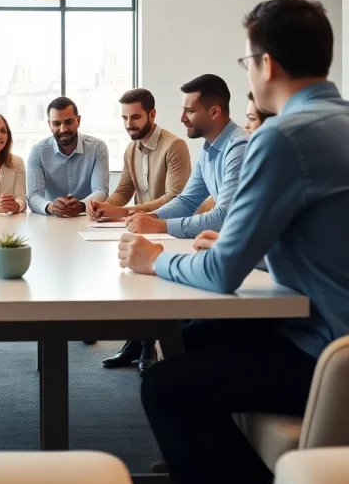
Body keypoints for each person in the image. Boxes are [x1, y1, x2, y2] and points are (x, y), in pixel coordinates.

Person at [117, 0, 349, 484]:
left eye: (247, 62)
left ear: (267, 65)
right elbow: (322, 238)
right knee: (189, 338)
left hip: (341, 357)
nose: (248, 75)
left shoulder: (283, 135)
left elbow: (222, 273)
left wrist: (155, 261)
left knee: (164, 386)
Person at [88, 88, 192, 376]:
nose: (129, 124)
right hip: (141, 228)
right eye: (124, 117)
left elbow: (175, 197)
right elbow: (124, 190)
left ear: (152, 114)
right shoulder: (131, 149)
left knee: (150, 289)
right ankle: (135, 344)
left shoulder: (175, 146)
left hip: (169, 230)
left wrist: (125, 213)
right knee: (133, 284)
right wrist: (100, 206)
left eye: (135, 117)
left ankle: (149, 348)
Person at [123, 74, 249, 239]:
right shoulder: (208, 149)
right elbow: (187, 201)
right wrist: (152, 217)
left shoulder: (239, 147)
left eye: (189, 111)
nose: (182, 118)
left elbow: (224, 216)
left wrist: (160, 226)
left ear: (214, 112)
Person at [27, 96, 109, 217]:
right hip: (51, 220)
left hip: (87, 218)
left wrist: (81, 205)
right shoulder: (38, 151)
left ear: (78, 120)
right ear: (49, 124)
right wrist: (51, 207)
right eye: (56, 123)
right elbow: (33, 196)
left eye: (68, 122)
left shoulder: (97, 148)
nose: (63, 129)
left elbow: (101, 190)